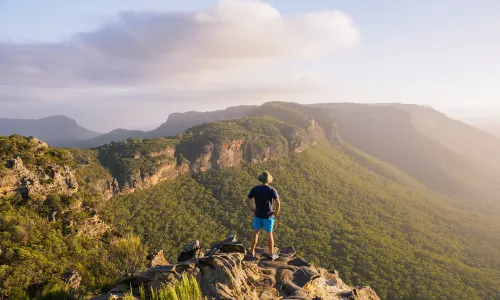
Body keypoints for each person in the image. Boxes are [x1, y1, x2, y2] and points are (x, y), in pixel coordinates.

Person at [246, 171, 281, 260]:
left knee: (256, 232)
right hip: (268, 216)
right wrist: (276, 212)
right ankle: (271, 255)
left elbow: (247, 200)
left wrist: (252, 209)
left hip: (258, 214)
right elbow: (277, 202)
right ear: (268, 180)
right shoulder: (271, 189)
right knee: (269, 234)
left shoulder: (255, 189)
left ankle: (252, 252)